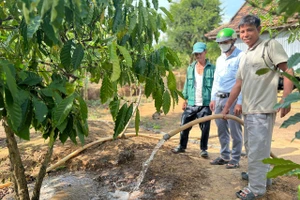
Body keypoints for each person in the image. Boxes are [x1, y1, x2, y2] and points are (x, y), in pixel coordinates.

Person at [221, 15, 294, 199]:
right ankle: (261, 177)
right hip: (249, 109)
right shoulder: (244, 55)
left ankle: (256, 188)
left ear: (259, 30)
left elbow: (288, 70)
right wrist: (227, 107)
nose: (246, 34)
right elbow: (238, 84)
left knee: (257, 149)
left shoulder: (269, 46)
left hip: (263, 108)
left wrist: (286, 99)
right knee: (253, 147)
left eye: (250, 30)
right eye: (242, 31)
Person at [171, 42, 215, 158]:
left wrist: (213, 99)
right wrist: (184, 99)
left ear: (205, 52)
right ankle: (182, 146)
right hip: (191, 102)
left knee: (205, 128)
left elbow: (216, 85)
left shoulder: (212, 69)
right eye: (196, 54)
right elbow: (186, 84)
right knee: (184, 124)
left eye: (200, 53)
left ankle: (203, 149)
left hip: (205, 104)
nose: (198, 56)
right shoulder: (190, 68)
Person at [209, 28, 243, 169]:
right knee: (221, 129)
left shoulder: (241, 57)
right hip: (219, 98)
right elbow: (216, 80)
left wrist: (239, 102)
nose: (222, 44)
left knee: (235, 130)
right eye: (220, 42)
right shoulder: (220, 59)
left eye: (225, 42)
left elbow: (242, 82)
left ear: (233, 40)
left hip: (233, 99)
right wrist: (213, 98)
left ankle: (235, 159)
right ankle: (224, 155)